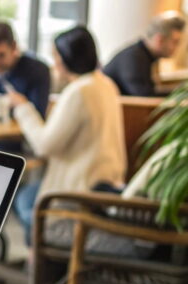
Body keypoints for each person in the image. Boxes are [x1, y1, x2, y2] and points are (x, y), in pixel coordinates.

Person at [7, 26, 127, 243]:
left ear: (65, 58)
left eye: (55, 55)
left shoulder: (79, 92)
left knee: (22, 198)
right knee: (27, 195)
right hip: (104, 183)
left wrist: (23, 108)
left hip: (76, 191)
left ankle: (40, 256)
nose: (54, 62)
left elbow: (44, 146)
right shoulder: (106, 84)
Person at [104, 12, 186, 97]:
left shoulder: (145, 56)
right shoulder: (134, 57)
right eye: (175, 42)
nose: (178, 47)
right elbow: (143, 96)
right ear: (159, 40)